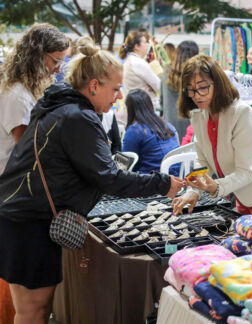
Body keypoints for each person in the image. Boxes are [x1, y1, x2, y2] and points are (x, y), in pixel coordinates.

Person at [0, 42, 184, 324]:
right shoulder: (78, 117)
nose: (120, 96)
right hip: (29, 221)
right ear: (95, 85)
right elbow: (109, 176)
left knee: (33, 309)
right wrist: (162, 184)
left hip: (23, 214)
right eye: (115, 88)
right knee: (33, 310)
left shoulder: (62, 107)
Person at [172, 54, 252, 216]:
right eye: (191, 90)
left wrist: (215, 186)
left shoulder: (242, 113)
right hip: (240, 191)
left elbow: (246, 171)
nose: (197, 95)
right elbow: (202, 161)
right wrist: (193, 191)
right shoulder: (198, 116)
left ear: (218, 84)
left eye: (203, 87)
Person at [0, 23, 70, 175]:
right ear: (37, 57)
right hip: (10, 183)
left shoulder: (23, 89)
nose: (58, 69)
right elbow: (28, 150)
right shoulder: (18, 96)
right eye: (55, 61)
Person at [122, 88, 180, 175]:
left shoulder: (135, 131)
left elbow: (126, 164)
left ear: (129, 110)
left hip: (153, 181)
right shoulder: (167, 125)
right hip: (178, 178)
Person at [162, 40, 199, 142]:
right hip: (189, 122)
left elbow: (162, 100)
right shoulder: (194, 73)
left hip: (169, 122)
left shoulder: (166, 71)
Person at [119, 29, 162, 111]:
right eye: (145, 42)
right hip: (144, 109)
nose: (148, 45)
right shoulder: (139, 63)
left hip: (134, 108)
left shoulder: (129, 61)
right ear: (137, 46)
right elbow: (159, 86)